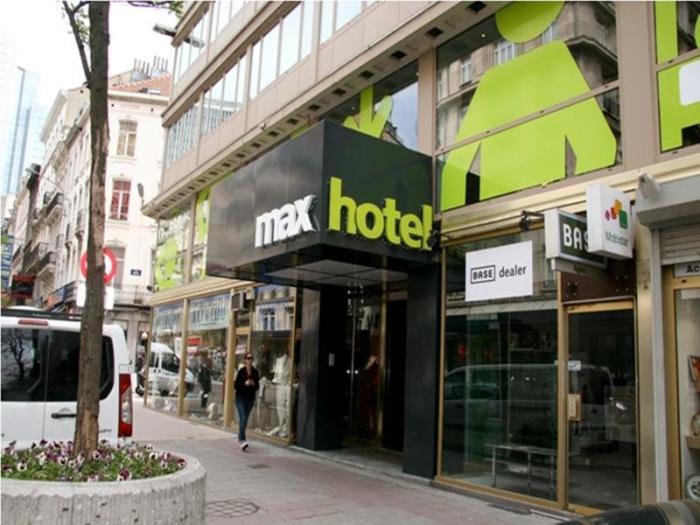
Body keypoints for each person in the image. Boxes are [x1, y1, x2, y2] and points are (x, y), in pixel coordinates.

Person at [234, 353, 259, 451]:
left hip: (250, 399)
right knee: (243, 418)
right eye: (248, 358)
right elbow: (236, 386)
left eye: (252, 358)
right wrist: (245, 383)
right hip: (240, 399)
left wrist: (253, 383)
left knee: (244, 420)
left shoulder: (255, 372)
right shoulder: (241, 371)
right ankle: (242, 440)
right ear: (245, 360)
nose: (250, 360)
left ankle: (240, 436)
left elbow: (257, 387)